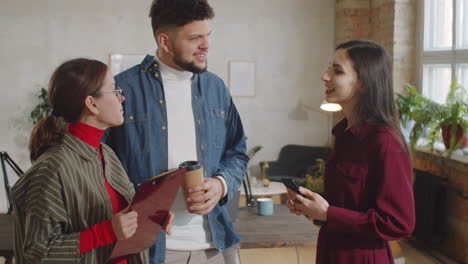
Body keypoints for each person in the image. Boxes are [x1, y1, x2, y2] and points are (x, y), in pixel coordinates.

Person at [103, 0, 249, 263]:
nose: (206, 45)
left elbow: (237, 153)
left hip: (215, 244)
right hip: (148, 250)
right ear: (165, 42)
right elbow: (97, 167)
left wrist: (221, 184)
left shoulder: (216, 88)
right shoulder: (123, 90)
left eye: (208, 36)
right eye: (195, 38)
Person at [13, 58, 173, 264]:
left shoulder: (106, 154)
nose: (121, 98)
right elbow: (35, 254)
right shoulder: (52, 169)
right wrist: (106, 232)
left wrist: (148, 217)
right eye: (115, 90)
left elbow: (120, 218)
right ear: (92, 103)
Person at [286, 40, 416, 264]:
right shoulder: (344, 135)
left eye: (337, 71)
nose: (325, 76)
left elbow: (399, 222)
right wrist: (313, 205)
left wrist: (329, 214)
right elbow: (351, 205)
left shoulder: (385, 142)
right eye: (329, 68)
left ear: (364, 83)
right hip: (331, 252)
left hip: (362, 257)